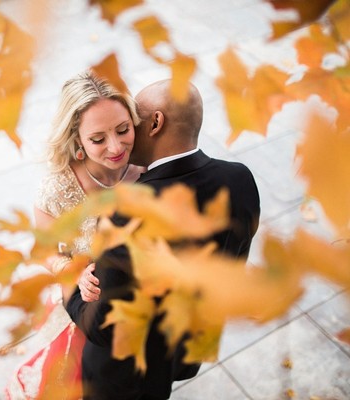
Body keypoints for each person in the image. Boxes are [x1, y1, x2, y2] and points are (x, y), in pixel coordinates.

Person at [66, 79, 261, 400]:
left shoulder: (129, 211)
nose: (125, 136)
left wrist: (71, 288)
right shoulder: (240, 177)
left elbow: (101, 325)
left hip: (127, 376)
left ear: (155, 123)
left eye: (134, 120)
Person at [5, 71, 145, 399]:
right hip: (87, 307)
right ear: (76, 139)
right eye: (98, 139)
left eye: (123, 130)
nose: (116, 147)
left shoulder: (147, 168)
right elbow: (43, 250)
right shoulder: (58, 189)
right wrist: (74, 274)